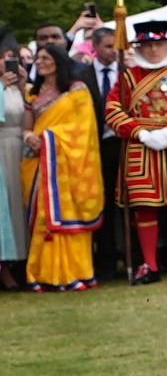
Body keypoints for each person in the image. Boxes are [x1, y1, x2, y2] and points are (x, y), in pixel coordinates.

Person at [106, 19, 167, 283]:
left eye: (158, 44)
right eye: (148, 45)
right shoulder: (127, 78)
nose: (153, 50)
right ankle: (149, 265)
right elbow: (112, 110)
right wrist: (138, 132)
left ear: (166, 44)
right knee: (144, 208)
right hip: (141, 147)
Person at [20, 41, 103, 291]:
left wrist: (48, 138)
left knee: (69, 214)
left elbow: (83, 130)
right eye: (38, 59)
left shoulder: (76, 91)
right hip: (40, 165)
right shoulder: (32, 93)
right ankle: (43, 274)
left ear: (59, 61)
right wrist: (28, 137)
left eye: (46, 58)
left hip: (68, 166)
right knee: (44, 220)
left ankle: (75, 273)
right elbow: (27, 126)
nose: (41, 63)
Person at [79, 26, 123, 280]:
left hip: (125, 146)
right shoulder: (81, 77)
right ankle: (106, 262)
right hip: (96, 149)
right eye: (108, 46)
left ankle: (134, 258)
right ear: (94, 47)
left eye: (115, 46)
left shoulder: (126, 74)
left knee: (128, 204)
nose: (113, 52)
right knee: (102, 204)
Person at [1, 50, 29, 286]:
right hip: (2, 148)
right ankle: (4, 268)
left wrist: (22, 86)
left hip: (23, 147)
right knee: (6, 206)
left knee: (22, 204)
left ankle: (24, 260)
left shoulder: (21, 86)